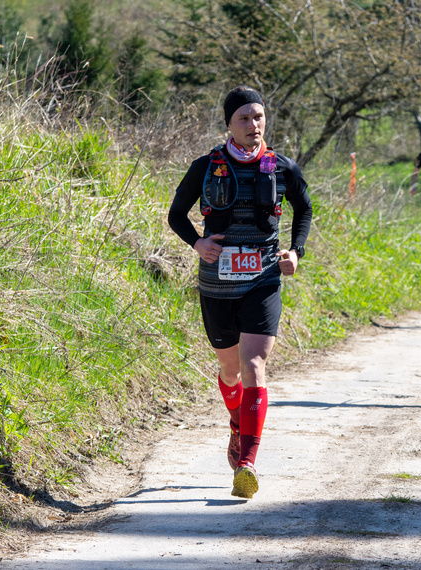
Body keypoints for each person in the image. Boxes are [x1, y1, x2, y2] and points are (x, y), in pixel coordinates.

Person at [168, 86, 312, 498]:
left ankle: (247, 463)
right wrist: (197, 243)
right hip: (216, 285)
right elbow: (176, 215)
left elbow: (304, 209)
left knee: (254, 367)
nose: (254, 125)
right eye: (244, 119)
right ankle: (237, 423)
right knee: (230, 372)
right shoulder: (205, 166)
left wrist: (295, 251)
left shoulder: (282, 167)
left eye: (259, 117)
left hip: (263, 279)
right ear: (229, 124)